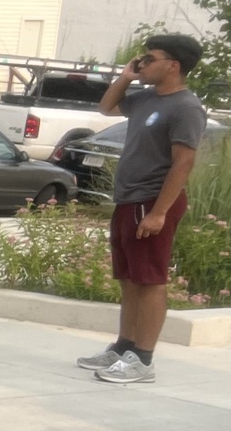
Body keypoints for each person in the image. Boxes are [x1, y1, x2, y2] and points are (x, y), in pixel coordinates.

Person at [78, 33, 208, 385]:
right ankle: (124, 348)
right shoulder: (146, 99)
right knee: (129, 278)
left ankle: (144, 360)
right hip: (129, 199)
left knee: (149, 280)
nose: (142, 63)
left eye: (149, 59)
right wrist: (125, 76)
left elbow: (183, 164)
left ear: (173, 65)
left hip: (153, 201)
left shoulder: (186, 106)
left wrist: (159, 212)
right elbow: (106, 107)